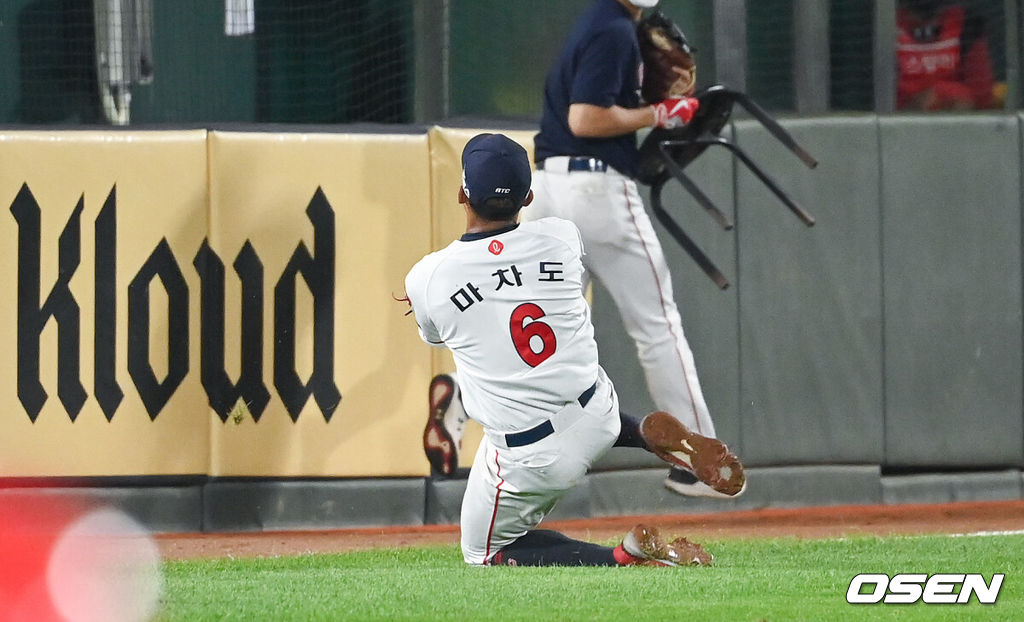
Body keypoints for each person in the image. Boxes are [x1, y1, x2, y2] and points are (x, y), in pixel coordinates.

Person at [405, 132, 729, 566]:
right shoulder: (561, 236)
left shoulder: (429, 278)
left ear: (462, 193)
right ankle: (642, 436)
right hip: (598, 414)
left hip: (531, 455)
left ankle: (622, 557)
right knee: (565, 387)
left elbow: (435, 335)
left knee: (484, 551)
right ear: (529, 195)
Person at [896, 0, 997, 111]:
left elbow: (982, 97)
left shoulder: (967, 23)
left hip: (958, 117)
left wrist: (941, 93)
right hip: (904, 120)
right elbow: (882, 99)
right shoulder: (885, 25)